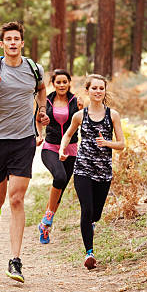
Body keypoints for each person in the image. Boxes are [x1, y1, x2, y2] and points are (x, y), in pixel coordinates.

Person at [0, 21, 48, 283]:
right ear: (2, 44)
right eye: (8, 39)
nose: (13, 43)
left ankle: (15, 261)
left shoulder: (34, 69)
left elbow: (41, 89)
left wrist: (42, 111)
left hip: (24, 140)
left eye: (17, 39)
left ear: (22, 43)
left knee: (16, 199)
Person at [59, 74, 125, 270]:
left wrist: (107, 143)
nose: (97, 91)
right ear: (87, 91)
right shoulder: (80, 116)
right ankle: (89, 253)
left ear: (105, 91)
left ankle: (91, 226)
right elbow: (68, 134)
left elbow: (121, 144)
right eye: (94, 88)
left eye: (101, 88)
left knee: (95, 214)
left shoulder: (113, 115)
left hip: (103, 171)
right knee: (86, 210)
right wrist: (63, 149)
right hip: (83, 169)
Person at [37, 69, 83, 244]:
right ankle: (48, 216)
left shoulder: (76, 101)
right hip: (51, 147)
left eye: (65, 82)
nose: (62, 85)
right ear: (53, 83)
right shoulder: (46, 101)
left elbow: (83, 119)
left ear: (69, 83)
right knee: (59, 176)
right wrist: (39, 133)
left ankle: (45, 225)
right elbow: (37, 119)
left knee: (60, 189)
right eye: (58, 82)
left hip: (71, 149)